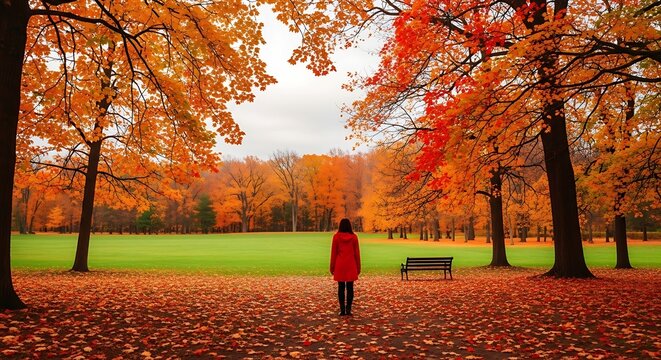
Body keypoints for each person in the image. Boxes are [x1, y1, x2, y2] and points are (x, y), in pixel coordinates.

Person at [330, 218, 361, 316]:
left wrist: (332, 267)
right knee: (350, 288)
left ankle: (342, 310)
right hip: (351, 264)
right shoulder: (354, 237)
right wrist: (358, 268)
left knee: (341, 288)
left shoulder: (336, 237)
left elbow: (333, 254)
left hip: (340, 265)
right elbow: (357, 254)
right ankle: (348, 310)